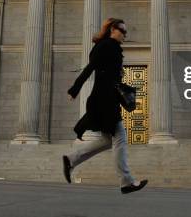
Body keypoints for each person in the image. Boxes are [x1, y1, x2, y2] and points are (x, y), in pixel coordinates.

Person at [62, 18, 148, 194]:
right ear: (112, 30)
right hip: (104, 100)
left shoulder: (112, 48)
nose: (125, 34)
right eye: (122, 30)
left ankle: (71, 159)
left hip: (106, 99)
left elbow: (107, 73)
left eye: (125, 31)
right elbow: (90, 67)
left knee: (108, 140)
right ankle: (126, 182)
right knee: (120, 138)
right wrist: (75, 88)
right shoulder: (106, 46)